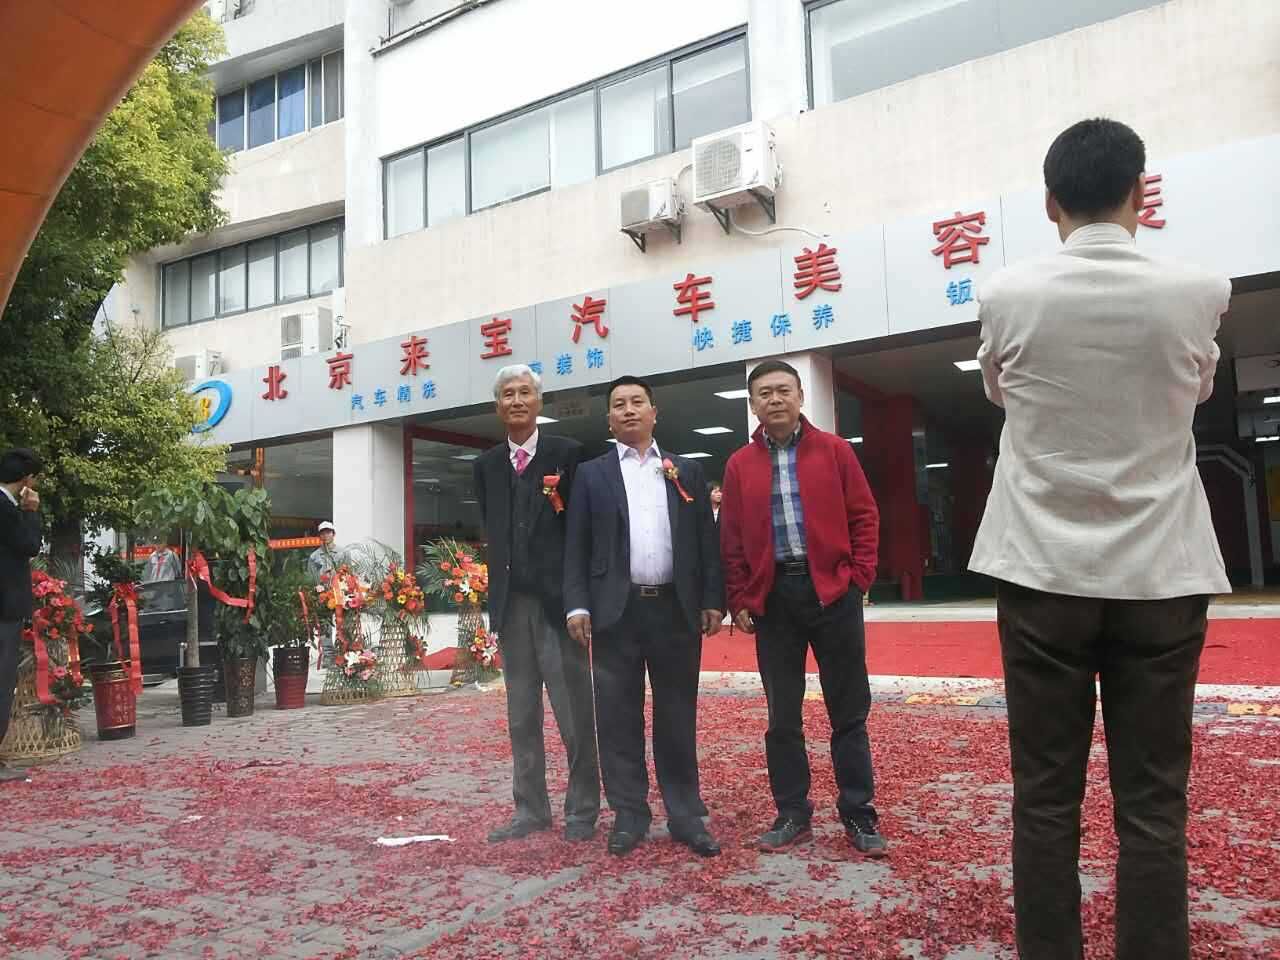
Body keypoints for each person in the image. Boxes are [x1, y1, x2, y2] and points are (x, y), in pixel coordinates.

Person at [969, 118, 1232, 960]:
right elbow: (1196, 389)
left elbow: (1001, 393)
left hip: (1041, 569)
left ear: (1050, 203)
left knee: (1045, 797)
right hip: (1162, 572)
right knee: (1154, 802)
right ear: (1139, 193)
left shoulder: (1006, 293)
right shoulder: (1200, 289)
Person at [719, 360, 886, 857]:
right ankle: (792, 812)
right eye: (764, 393)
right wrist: (739, 597)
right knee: (782, 715)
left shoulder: (834, 451)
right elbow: (730, 538)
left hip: (833, 593)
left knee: (848, 711)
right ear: (752, 404)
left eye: (783, 390)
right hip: (774, 599)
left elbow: (864, 516)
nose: (775, 399)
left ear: (799, 396)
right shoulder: (739, 464)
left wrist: (858, 578)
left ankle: (859, 814)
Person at [564, 375, 723, 858]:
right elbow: (576, 544)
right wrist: (577, 603)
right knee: (617, 718)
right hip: (616, 612)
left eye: (638, 402)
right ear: (609, 419)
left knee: (677, 715)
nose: (629, 410)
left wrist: (712, 598)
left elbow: (705, 540)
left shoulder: (685, 470)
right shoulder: (591, 475)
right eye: (619, 404)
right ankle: (629, 814)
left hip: (675, 609)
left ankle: (685, 815)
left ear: (655, 412)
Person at [473, 364, 599, 843]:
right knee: (521, 716)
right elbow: (494, 530)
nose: (517, 401)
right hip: (512, 609)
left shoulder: (568, 455)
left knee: (574, 713)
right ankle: (530, 809)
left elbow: (581, 530)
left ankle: (582, 810)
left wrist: (579, 600)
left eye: (525, 392)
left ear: (539, 402)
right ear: (497, 406)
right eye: (508, 394)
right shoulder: (486, 466)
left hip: (558, 608)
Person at [0, 448, 44, 782]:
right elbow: (29, 545)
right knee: (2, 682)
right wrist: (31, 512)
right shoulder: (7, 509)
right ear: (26, 479)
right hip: (5, 609)